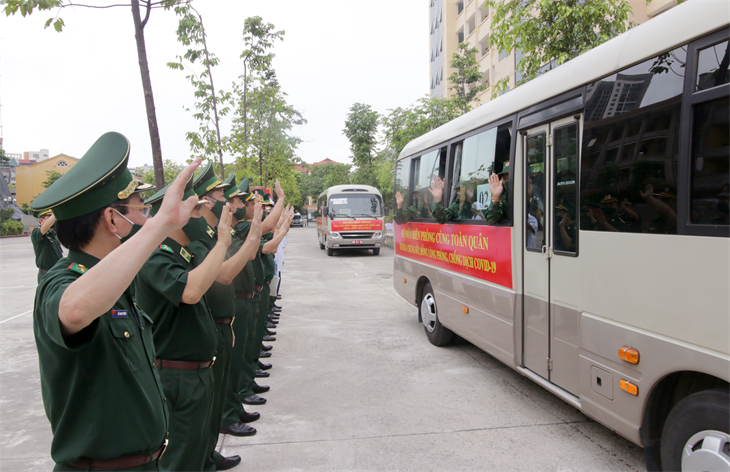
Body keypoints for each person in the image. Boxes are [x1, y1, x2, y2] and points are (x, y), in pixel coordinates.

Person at [30, 131, 200, 471]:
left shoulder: (117, 281)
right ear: (112, 219)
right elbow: (75, 311)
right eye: (140, 211)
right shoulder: (63, 280)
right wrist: (162, 225)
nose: (146, 221)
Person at [135, 174, 232, 472]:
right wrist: (223, 242)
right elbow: (191, 291)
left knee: (196, 452)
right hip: (177, 376)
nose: (202, 217)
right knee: (180, 459)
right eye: (196, 210)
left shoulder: (183, 254)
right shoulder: (156, 256)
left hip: (196, 371)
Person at [190, 167, 263, 471]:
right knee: (212, 395)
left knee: (223, 384)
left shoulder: (213, 235)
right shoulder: (200, 242)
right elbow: (224, 273)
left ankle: (210, 452)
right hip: (209, 324)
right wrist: (257, 222)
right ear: (205, 201)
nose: (228, 202)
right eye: (222, 195)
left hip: (225, 317)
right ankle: (225, 422)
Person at [31, 209, 63, 283]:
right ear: (41, 220)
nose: (53, 220)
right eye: (49, 217)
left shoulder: (53, 234)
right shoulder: (37, 233)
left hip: (58, 273)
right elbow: (44, 228)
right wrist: (55, 213)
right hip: (46, 274)